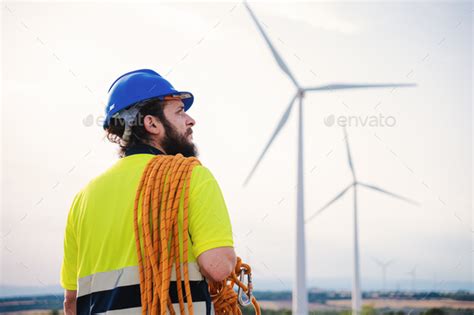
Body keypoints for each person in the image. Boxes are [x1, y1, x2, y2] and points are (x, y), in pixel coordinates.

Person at [60, 69, 236, 315]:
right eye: (179, 112)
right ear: (151, 123)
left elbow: (71, 301)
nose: (190, 120)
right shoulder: (191, 176)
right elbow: (218, 267)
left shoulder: (83, 198)